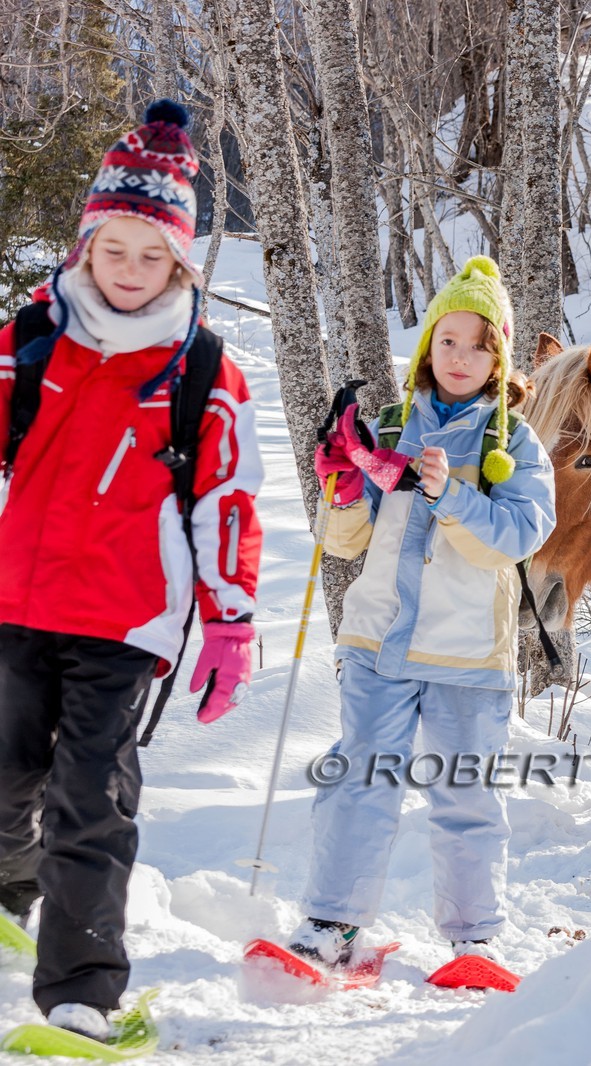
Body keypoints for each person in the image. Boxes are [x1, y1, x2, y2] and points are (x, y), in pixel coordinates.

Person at [0, 100, 263, 1040]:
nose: (129, 268)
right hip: (16, 605)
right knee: (4, 785)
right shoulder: (33, 340)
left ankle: (80, 991)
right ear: (86, 244)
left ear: (181, 263)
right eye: (114, 248)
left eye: (152, 255)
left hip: (124, 621)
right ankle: (12, 895)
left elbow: (225, 501)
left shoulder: (202, 371)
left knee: (92, 803)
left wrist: (229, 622)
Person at [289, 256, 556, 970]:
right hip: (377, 644)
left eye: (479, 346)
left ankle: (474, 936)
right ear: (428, 346)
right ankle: (332, 923)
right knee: (360, 781)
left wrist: (453, 496)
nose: (461, 357)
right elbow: (344, 541)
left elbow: (518, 537)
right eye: (448, 340)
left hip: (467, 655)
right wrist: (343, 488)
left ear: (499, 359)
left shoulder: (513, 444)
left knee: (466, 796)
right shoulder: (391, 427)